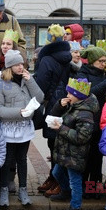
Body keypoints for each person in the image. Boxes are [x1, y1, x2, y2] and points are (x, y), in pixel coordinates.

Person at [0, 50, 44, 206]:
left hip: (24, 128)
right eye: (17, 64)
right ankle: (4, 190)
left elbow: (39, 98)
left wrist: (30, 81)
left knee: (22, 160)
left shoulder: (27, 80)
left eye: (22, 64)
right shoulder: (1, 84)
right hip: (8, 128)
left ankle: (23, 190)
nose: (21, 67)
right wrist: (18, 112)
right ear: (10, 66)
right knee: (7, 161)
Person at [47, 78, 99, 210]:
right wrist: (59, 105)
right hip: (65, 151)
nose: (67, 95)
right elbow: (54, 114)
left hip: (76, 154)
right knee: (57, 172)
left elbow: (82, 137)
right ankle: (65, 191)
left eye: (70, 93)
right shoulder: (73, 105)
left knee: (75, 181)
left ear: (79, 95)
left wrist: (61, 128)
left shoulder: (85, 113)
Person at [77, 47, 106, 197]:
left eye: (105, 61)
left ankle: (94, 188)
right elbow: (88, 93)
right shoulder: (82, 74)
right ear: (92, 61)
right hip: (87, 122)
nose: (103, 64)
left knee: (97, 159)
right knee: (86, 158)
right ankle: (83, 188)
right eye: (100, 61)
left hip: (100, 123)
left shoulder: (103, 74)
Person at [34, 25, 71, 196]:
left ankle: (57, 181)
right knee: (62, 143)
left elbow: (41, 86)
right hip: (67, 102)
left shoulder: (46, 59)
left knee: (53, 143)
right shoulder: (68, 58)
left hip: (53, 105)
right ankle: (53, 177)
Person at [0, 29, 24, 102]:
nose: (5, 46)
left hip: (14, 99)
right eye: (3, 43)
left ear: (14, 46)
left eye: (8, 44)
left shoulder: (20, 62)